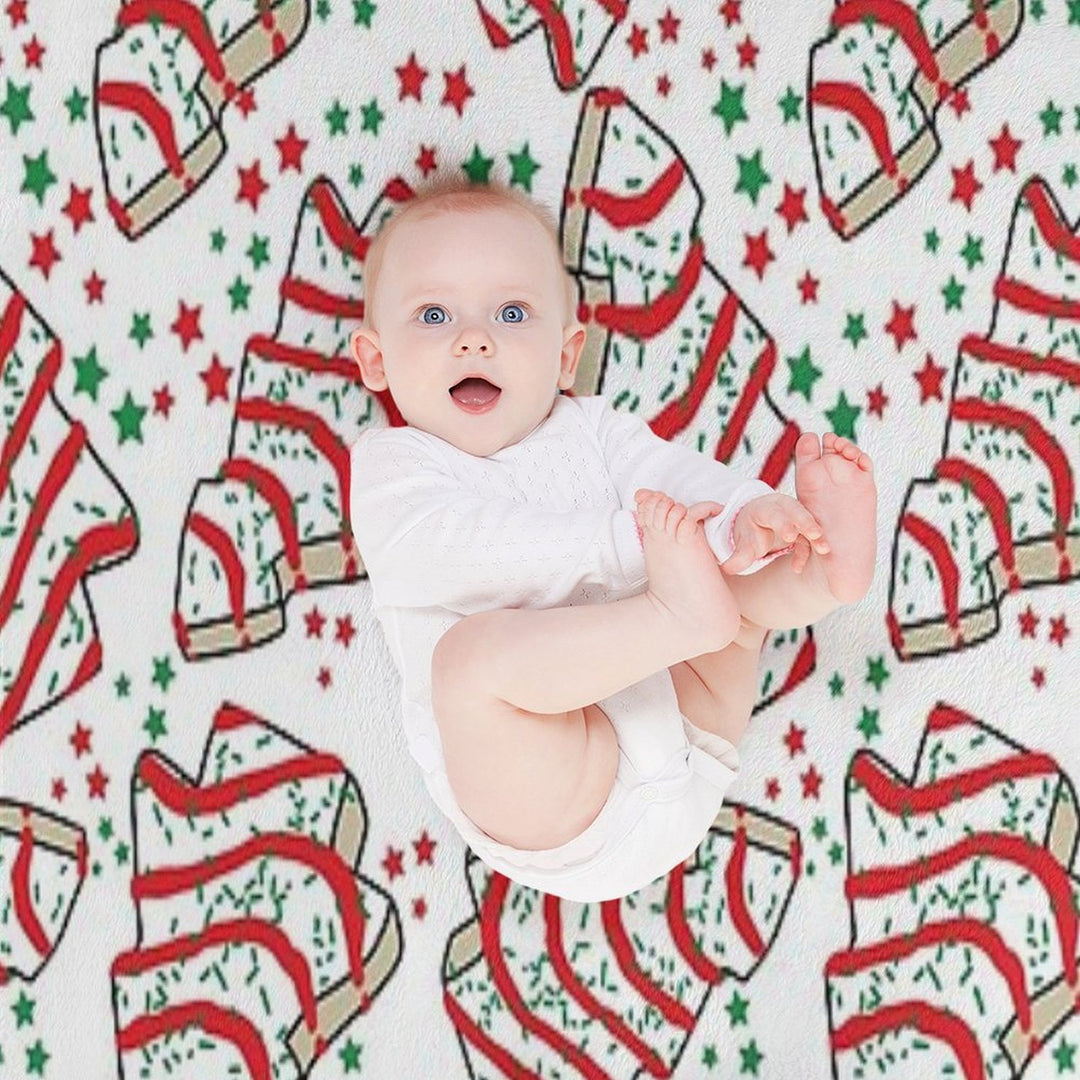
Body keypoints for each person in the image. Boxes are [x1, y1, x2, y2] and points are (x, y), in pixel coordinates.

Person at [347, 177, 877, 901]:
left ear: (566, 356)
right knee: (468, 665)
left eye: (511, 313)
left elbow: (675, 477)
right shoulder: (394, 467)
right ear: (376, 361)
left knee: (734, 582)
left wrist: (744, 514)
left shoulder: (591, 429)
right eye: (434, 315)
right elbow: (461, 552)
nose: (475, 338)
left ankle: (818, 570)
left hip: (688, 727)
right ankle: (681, 614)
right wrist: (634, 546)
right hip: (562, 798)